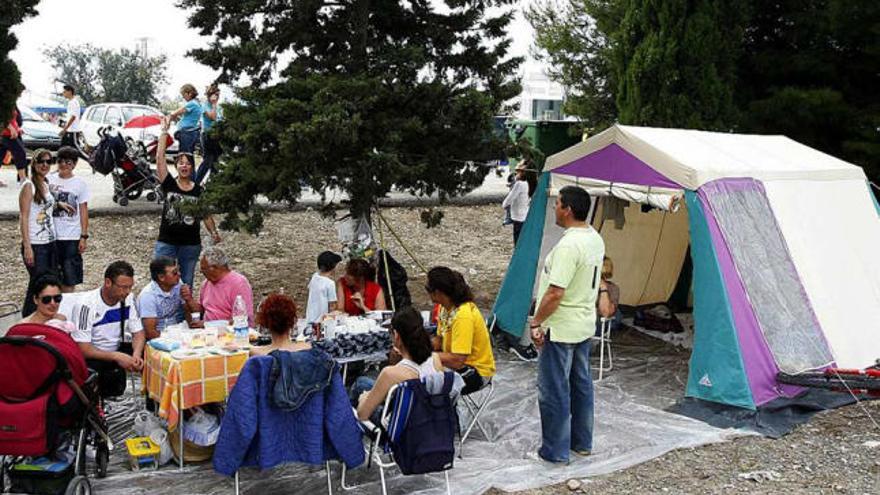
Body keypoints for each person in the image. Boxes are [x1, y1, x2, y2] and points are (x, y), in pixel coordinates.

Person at [529, 185, 605, 464]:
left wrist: (536, 322)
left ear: (568, 209)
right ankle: (582, 442)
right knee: (581, 384)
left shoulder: (569, 245)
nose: (554, 208)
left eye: (557, 203)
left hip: (561, 327)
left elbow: (555, 292)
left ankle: (556, 450)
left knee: (554, 389)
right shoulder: (594, 238)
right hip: (583, 323)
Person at [60, 261, 145, 398]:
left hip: (119, 347)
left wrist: (136, 354)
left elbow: (138, 333)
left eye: (130, 287)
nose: (127, 292)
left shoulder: (128, 299)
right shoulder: (86, 305)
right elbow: (83, 348)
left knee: (151, 355)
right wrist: (117, 356)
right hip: (94, 354)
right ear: (108, 282)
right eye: (123, 287)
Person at [155, 116, 221, 287]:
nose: (184, 166)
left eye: (187, 163)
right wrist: (164, 132)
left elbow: (205, 214)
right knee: (160, 281)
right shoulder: (169, 183)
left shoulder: (199, 190)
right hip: (166, 242)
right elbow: (159, 158)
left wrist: (214, 232)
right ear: (176, 166)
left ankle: (184, 314)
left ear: (192, 167)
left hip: (190, 245)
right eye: (180, 163)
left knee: (186, 283)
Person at [353, 307, 442, 421]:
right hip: (431, 422)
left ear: (396, 335)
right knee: (362, 382)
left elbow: (362, 415)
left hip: (403, 429)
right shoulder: (435, 359)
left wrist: (363, 399)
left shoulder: (390, 374)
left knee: (359, 391)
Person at [427, 266, 495, 395]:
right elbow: (438, 341)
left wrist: (424, 356)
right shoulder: (444, 308)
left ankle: (437, 413)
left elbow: (457, 361)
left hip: (475, 372)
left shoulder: (462, 316)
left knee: (421, 381)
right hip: (456, 364)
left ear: (438, 292)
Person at [19, 149, 61, 317]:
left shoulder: (45, 183)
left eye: (48, 162)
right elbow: (24, 216)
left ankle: (41, 317)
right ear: (34, 163)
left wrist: (60, 205)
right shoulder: (28, 186)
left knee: (48, 282)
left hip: (50, 241)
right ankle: (27, 318)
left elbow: (45, 206)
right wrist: (27, 246)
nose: (45, 165)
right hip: (36, 244)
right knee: (37, 284)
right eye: (41, 161)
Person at [48, 146, 90, 293]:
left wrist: (83, 236)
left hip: (71, 235)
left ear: (74, 164)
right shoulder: (48, 179)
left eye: (68, 162)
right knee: (51, 276)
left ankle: (67, 305)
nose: (63, 165)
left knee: (69, 276)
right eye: (60, 161)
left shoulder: (80, 183)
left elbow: (83, 210)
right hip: (50, 235)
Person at [189, 246, 254, 324]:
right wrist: (188, 299)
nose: (201, 272)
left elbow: (242, 318)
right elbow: (201, 311)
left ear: (214, 267)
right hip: (207, 331)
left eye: (203, 269)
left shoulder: (239, 283)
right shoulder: (206, 284)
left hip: (231, 332)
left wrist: (209, 325)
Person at [138, 256, 195, 340]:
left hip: (178, 330)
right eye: (174, 273)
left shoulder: (178, 283)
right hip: (159, 336)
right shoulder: (148, 296)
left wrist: (188, 299)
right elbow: (150, 333)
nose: (179, 274)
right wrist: (172, 339)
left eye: (178, 270)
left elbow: (188, 312)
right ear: (161, 277)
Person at [502, 161, 536, 245]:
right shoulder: (531, 183)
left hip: (518, 217)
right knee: (523, 239)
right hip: (525, 214)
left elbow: (510, 198)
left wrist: (504, 204)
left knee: (517, 241)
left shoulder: (520, 184)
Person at [306, 251, 342, 324]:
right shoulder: (330, 284)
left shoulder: (314, 276)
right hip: (321, 321)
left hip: (310, 317)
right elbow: (332, 306)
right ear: (334, 267)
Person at [196, 84, 222, 184]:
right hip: (207, 136)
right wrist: (214, 104)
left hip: (216, 136)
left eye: (218, 95)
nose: (218, 98)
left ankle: (212, 185)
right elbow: (213, 117)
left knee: (215, 163)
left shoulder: (218, 107)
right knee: (207, 161)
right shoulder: (205, 105)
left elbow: (219, 120)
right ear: (210, 95)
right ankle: (196, 184)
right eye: (216, 95)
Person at [167, 83, 202, 155]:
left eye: (183, 94)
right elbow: (187, 117)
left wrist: (169, 117)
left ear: (189, 93)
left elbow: (175, 113)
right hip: (191, 131)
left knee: (184, 154)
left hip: (187, 132)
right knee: (188, 154)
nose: (183, 97)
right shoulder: (197, 103)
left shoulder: (191, 104)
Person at [1, 99, 28, 184]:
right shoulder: (4, 101)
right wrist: (11, 128)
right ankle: (22, 179)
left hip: (11, 133)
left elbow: (13, 121)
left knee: (0, 155)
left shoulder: (11, 102)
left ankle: (22, 178)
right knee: (20, 153)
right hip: (7, 134)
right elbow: (2, 118)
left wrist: (17, 129)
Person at [596, 256, 621, 332]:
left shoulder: (613, 288)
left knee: (617, 315)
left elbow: (606, 313)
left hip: (598, 320)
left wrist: (603, 287)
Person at [59, 84, 84, 154]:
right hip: (69, 130)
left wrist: (64, 129)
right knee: (63, 148)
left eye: (64, 92)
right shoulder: (70, 102)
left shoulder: (74, 102)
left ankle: (91, 160)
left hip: (73, 130)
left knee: (77, 149)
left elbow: (73, 117)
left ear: (69, 92)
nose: (63, 94)